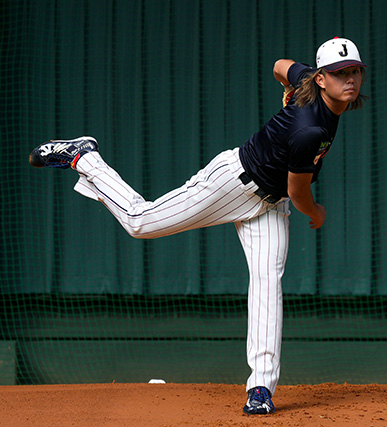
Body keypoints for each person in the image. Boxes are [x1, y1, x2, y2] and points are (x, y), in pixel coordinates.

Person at [28, 37, 366, 415]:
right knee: (141, 222)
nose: (349, 79)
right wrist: (316, 213)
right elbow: (298, 190)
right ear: (321, 79)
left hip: (270, 204)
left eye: (354, 71)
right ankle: (85, 158)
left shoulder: (311, 85)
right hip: (234, 182)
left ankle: (260, 389)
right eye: (339, 74)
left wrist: (288, 85)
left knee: (268, 284)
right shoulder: (308, 128)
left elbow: (279, 64)